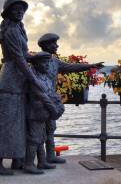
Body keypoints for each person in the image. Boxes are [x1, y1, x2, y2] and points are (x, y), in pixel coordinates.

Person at [0, 0, 50, 175]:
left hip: (18, 79)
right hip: (11, 79)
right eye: (16, 9)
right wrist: (35, 79)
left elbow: (25, 55)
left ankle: (17, 160)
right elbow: (20, 60)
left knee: (17, 122)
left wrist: (40, 56)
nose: (20, 12)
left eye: (22, 9)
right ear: (8, 12)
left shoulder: (19, 29)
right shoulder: (11, 31)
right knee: (7, 123)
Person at [38, 33, 104, 164]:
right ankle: (41, 160)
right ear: (46, 45)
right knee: (39, 131)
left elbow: (71, 67)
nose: (57, 45)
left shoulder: (55, 62)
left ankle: (50, 156)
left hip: (51, 99)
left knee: (50, 128)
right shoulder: (37, 60)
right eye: (54, 43)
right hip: (39, 99)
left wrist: (90, 66)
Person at [24, 52, 65, 174]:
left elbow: (51, 93)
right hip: (35, 113)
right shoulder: (33, 78)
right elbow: (41, 96)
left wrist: (58, 103)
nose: (47, 65)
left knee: (42, 138)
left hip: (44, 113)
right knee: (34, 139)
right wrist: (54, 109)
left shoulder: (45, 77)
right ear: (36, 64)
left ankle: (42, 162)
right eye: (44, 63)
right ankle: (29, 164)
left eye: (48, 62)